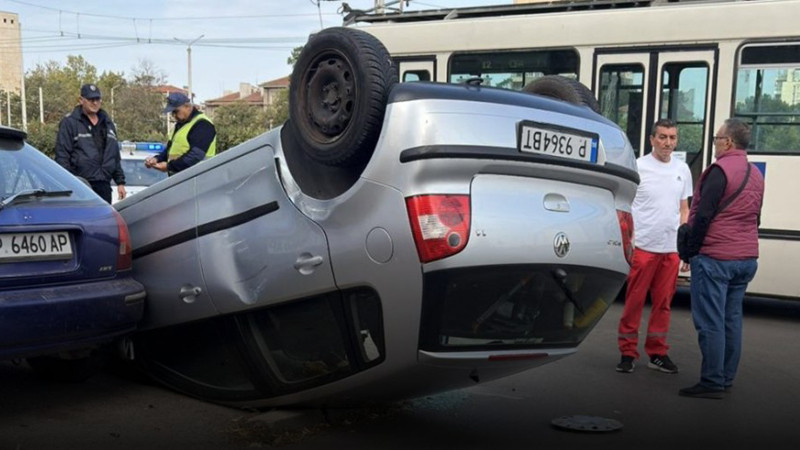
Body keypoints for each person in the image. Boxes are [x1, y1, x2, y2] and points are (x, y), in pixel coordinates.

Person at [678, 118, 764, 399]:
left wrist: (691, 250)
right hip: (746, 258)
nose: (714, 143)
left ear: (727, 142)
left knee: (710, 321)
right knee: (731, 319)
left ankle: (712, 381)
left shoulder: (719, 171)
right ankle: (725, 377)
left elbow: (703, 215)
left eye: (716, 138)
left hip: (716, 257)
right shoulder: (755, 173)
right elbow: (756, 217)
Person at [616, 119, 692, 374]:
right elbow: (625, 207)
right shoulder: (638, 167)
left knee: (663, 304)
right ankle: (627, 353)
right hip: (643, 247)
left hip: (670, 249)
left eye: (672, 138)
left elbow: (684, 209)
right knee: (634, 302)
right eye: (662, 137)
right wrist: (628, 241)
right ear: (652, 140)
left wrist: (684, 246)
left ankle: (657, 353)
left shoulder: (682, 169)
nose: (668, 143)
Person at [55, 83, 126, 203]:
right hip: (80, 186)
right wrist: (70, 183)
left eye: (97, 99)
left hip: (104, 185)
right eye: (91, 99)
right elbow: (62, 155)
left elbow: (114, 155)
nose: (95, 103)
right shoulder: (70, 122)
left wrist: (120, 182)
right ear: (81, 100)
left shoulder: (107, 123)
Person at [144, 92, 216, 175]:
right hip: (181, 178)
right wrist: (157, 159)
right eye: (172, 112)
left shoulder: (202, 124)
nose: (174, 115)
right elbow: (170, 151)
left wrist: (169, 167)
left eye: (176, 111)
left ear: (187, 106)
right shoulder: (180, 125)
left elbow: (195, 155)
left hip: (198, 177)